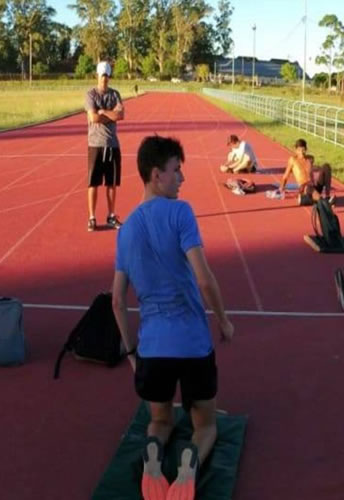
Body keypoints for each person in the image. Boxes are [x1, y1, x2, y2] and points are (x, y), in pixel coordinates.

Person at [111, 136, 234, 500]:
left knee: (160, 420)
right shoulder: (180, 212)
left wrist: (131, 354)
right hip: (193, 344)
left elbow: (117, 301)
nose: (182, 178)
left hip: (152, 350)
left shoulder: (126, 230)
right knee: (206, 425)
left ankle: (153, 457)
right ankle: (189, 465)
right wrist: (224, 321)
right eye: (176, 170)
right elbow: (203, 278)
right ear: (156, 175)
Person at [85, 61, 125, 232]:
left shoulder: (115, 94)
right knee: (93, 183)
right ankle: (92, 218)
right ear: (97, 76)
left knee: (111, 183)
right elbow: (93, 118)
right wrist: (110, 115)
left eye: (107, 76)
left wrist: (103, 112)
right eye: (102, 76)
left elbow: (121, 115)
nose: (104, 79)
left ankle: (111, 215)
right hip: (95, 144)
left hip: (112, 145)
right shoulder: (91, 95)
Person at [277, 139, 334, 205]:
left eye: (303, 150)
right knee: (307, 186)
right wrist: (281, 188)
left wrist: (321, 171)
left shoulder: (310, 159)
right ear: (296, 150)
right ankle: (324, 201)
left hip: (314, 187)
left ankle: (327, 197)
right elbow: (285, 177)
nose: (301, 153)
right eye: (299, 150)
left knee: (326, 166)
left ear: (306, 149)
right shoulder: (293, 160)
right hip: (304, 189)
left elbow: (310, 169)